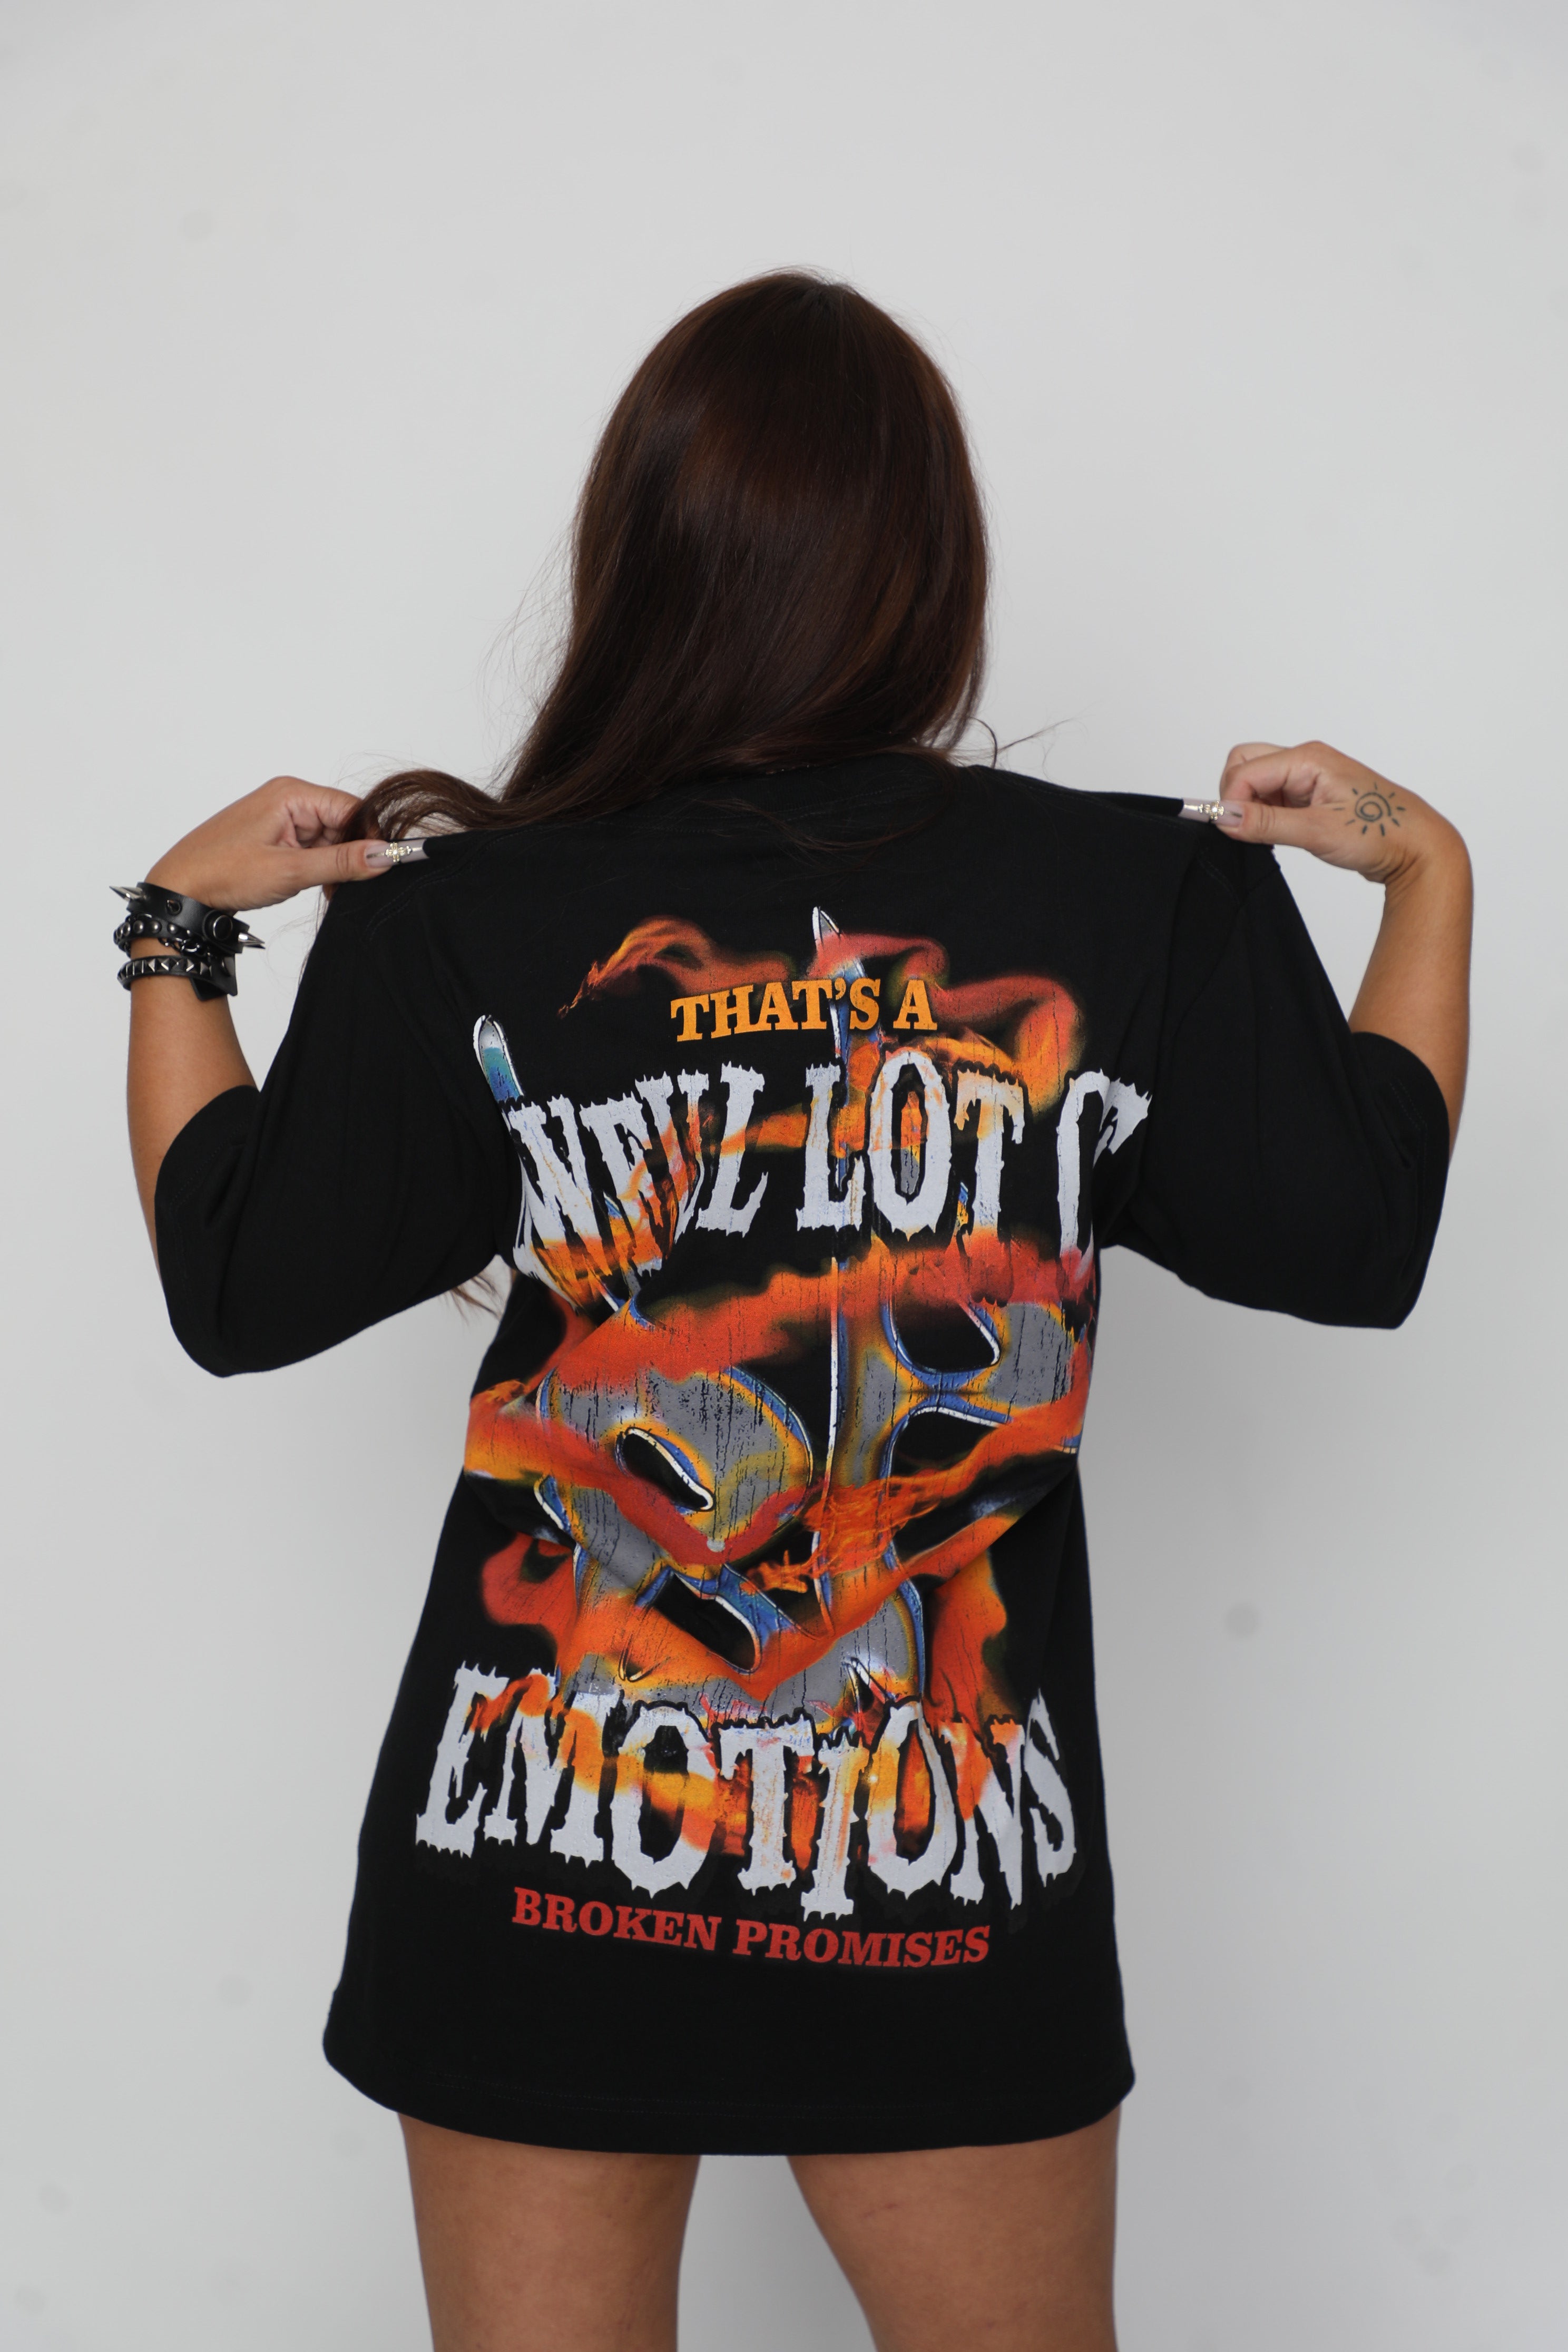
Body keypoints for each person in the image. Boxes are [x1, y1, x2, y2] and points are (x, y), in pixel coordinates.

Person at [120, 273, 1471, 2352]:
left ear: (637, 561)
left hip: (542, 1850)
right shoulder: (1137, 900)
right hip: (941, 1882)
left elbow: (234, 1276)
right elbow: (1355, 1233)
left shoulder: (475, 915)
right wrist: (1427, 878)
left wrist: (174, 937)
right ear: (937, 575)